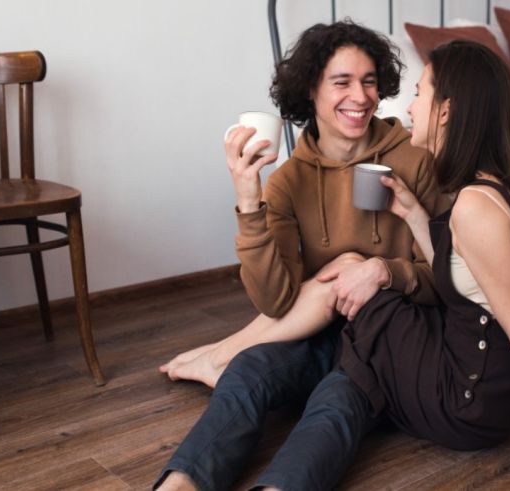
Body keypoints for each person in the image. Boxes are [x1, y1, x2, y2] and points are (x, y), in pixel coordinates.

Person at [227, 40, 510, 490]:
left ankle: (239, 363)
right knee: (363, 320)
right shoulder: (489, 193)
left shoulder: (474, 210)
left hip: (465, 402)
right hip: (477, 387)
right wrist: (412, 212)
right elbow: (460, 275)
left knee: (362, 291)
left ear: (445, 111)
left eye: (420, 93)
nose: (408, 106)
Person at [154, 21, 445, 490]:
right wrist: (250, 200)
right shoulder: (289, 180)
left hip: (389, 340)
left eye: (370, 81)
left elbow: (445, 279)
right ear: (311, 89)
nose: (361, 96)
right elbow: (275, 300)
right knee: (247, 371)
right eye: (342, 82)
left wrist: (382, 271)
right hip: (323, 335)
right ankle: (180, 484)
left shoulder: (414, 160)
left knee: (336, 400)